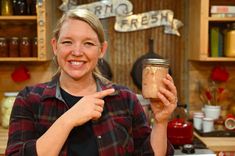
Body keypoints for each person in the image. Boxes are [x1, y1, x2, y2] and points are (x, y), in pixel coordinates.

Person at [5, 8, 177, 156]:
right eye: (67, 42)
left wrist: (161, 122)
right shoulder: (30, 99)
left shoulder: (125, 99)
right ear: (55, 46)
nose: (77, 52)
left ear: (101, 50)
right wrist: (69, 119)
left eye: (88, 43)